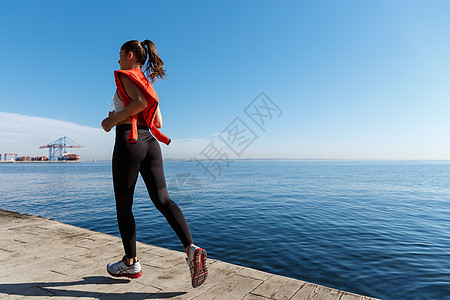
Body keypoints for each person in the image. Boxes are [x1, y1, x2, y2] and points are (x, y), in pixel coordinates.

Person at [101, 39, 208, 288]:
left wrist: (113, 121)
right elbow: (156, 120)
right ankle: (192, 249)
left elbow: (139, 104)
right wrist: (124, 114)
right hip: (151, 143)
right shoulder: (148, 83)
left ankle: (130, 263)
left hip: (130, 140)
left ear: (129, 55)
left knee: (124, 206)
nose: (117, 59)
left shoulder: (127, 75)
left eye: (119, 55)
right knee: (164, 200)